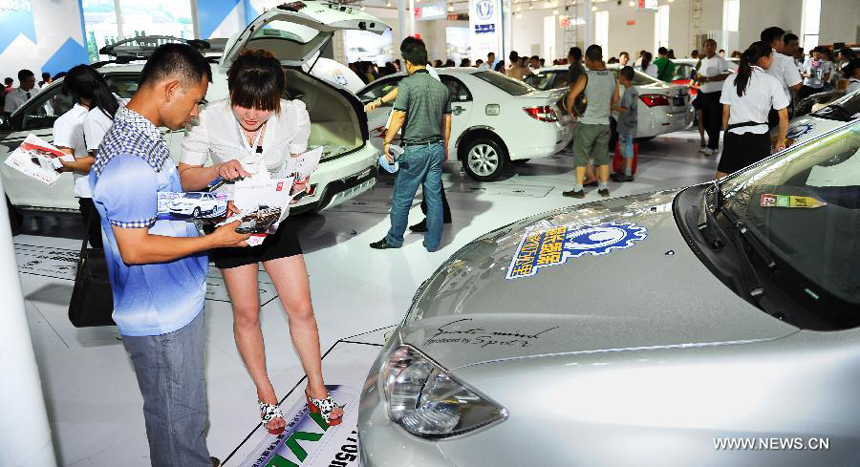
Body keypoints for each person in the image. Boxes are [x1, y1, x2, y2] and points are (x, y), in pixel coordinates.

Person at [89, 43, 250, 467]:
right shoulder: (129, 157)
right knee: (176, 411)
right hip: (159, 314)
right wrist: (215, 240)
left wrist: (215, 204)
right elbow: (136, 247)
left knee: (185, 408)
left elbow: (164, 200)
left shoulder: (142, 132)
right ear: (170, 88)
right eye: (195, 101)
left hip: (177, 297)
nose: (195, 113)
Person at [178, 49, 345, 433]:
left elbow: (298, 164)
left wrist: (299, 181)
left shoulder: (295, 114)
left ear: (276, 99)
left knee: (301, 308)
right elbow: (186, 175)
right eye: (243, 104)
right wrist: (217, 170)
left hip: (275, 218)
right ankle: (266, 393)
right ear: (231, 92)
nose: (252, 114)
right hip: (229, 224)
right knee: (247, 314)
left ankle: (316, 389)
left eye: (263, 106)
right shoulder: (207, 118)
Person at [370, 40, 451, 252]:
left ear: (407, 63)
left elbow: (399, 114)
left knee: (402, 197)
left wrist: (387, 142)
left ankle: (395, 239)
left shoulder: (407, 84)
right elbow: (447, 121)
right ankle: (433, 243)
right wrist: (445, 147)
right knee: (433, 198)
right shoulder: (441, 88)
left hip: (414, 150)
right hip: (435, 149)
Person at [54, 65, 120, 249]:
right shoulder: (118, 103)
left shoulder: (70, 121)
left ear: (73, 92)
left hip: (94, 196)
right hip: (126, 190)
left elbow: (71, 162)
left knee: (104, 254)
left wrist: (57, 163)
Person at [716, 41, 788, 179]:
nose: (773, 60)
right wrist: (781, 140)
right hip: (759, 137)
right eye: (771, 57)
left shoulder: (731, 79)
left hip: (735, 134)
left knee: (723, 174)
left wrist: (727, 132)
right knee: (757, 179)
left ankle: (715, 199)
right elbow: (783, 115)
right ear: (764, 59)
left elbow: (726, 112)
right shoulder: (771, 81)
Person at [563, 44, 618, 199]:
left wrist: (571, 113)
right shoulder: (612, 76)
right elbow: (616, 99)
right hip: (604, 124)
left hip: (587, 123)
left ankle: (578, 189)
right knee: (603, 157)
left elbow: (571, 96)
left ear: (588, 58)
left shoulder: (586, 76)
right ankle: (604, 189)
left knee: (581, 155)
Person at [695, 38, 731, 157]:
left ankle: (711, 146)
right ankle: (713, 144)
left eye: (711, 45)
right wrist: (699, 79)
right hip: (703, 93)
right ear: (704, 47)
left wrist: (708, 79)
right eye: (707, 45)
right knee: (704, 121)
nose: (709, 47)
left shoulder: (720, 61)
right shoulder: (703, 61)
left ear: (715, 47)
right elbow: (699, 75)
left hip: (716, 94)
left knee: (714, 120)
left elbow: (725, 75)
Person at [761, 27, 802, 125]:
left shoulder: (754, 57)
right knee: (776, 136)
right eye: (783, 40)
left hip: (756, 105)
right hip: (777, 108)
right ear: (776, 41)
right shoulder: (784, 60)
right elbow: (795, 86)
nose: (784, 43)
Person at [611, 66, 639, 183]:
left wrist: (612, 107)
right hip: (630, 125)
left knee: (627, 149)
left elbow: (625, 109)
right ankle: (624, 171)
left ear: (623, 77)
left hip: (627, 126)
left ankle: (627, 173)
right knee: (627, 149)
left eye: (619, 77)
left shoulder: (629, 92)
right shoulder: (632, 90)